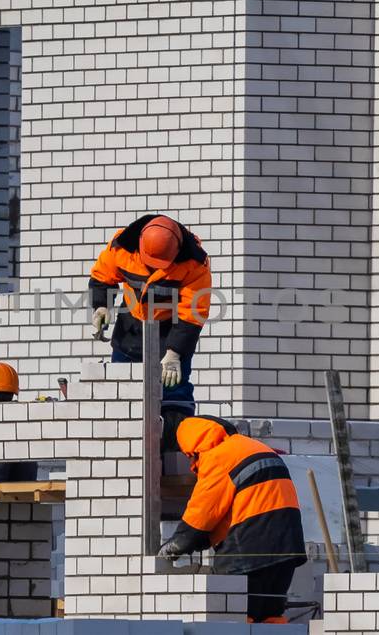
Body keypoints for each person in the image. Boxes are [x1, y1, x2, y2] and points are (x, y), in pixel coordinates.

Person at [159, 416, 306, 623]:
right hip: (287, 547)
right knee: (270, 615)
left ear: (191, 448)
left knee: (237, 616)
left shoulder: (218, 456)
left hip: (250, 551)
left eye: (188, 456)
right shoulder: (250, 447)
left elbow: (203, 510)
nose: (191, 463)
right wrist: (202, 540)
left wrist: (176, 544)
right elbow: (236, 507)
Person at [88, 214, 211, 409]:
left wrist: (175, 353)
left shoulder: (194, 263)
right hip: (131, 327)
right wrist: (101, 306)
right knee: (121, 392)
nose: (154, 266)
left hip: (171, 331)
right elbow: (102, 277)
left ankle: (173, 431)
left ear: (176, 251)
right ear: (140, 242)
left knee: (173, 393)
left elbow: (193, 312)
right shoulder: (122, 246)